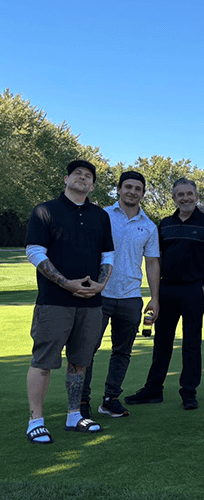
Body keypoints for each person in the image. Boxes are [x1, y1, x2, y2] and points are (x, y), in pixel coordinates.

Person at [25, 159, 114, 443]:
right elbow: (35, 252)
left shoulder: (100, 216)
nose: (82, 178)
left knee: (79, 362)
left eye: (88, 176)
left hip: (90, 303)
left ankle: (74, 415)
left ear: (93, 185)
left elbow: (107, 255)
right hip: (54, 301)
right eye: (77, 173)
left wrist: (101, 284)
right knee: (43, 361)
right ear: (66, 179)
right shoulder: (45, 211)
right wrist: (65, 283)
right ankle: (35, 420)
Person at [125, 178, 204, 410]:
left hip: (194, 290)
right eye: (180, 194)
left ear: (197, 197)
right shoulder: (164, 224)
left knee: (191, 343)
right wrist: (155, 296)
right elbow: (155, 260)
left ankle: (188, 392)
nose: (185, 198)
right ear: (174, 198)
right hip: (167, 288)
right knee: (162, 342)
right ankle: (153, 390)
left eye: (189, 194)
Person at [81, 171, 160, 419]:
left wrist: (154, 298)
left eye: (138, 188)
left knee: (123, 352)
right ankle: (82, 400)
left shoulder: (148, 226)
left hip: (131, 297)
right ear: (118, 189)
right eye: (128, 187)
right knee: (87, 349)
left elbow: (152, 264)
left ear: (143, 193)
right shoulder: (101, 215)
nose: (132, 192)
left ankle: (110, 399)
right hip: (98, 294)